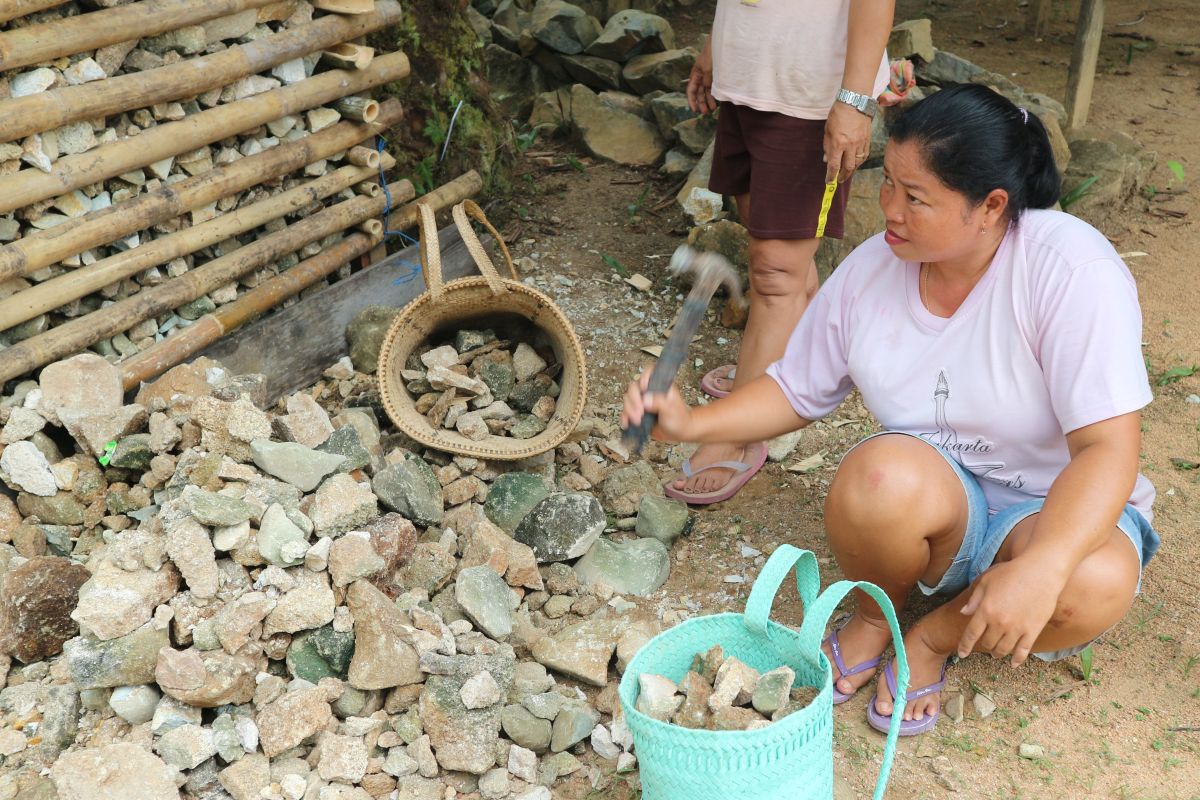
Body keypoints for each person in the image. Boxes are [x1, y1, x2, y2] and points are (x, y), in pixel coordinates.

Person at [624, 85, 1160, 736]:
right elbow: (797, 388)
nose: (889, 211)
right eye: (889, 186)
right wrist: (693, 423)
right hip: (940, 503)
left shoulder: (1068, 269)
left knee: (1095, 582)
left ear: (990, 207)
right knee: (876, 478)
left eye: (916, 197)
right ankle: (878, 618)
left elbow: (1108, 450)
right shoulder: (877, 269)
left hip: (1058, 505)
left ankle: (932, 638)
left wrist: (1044, 566)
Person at [675, 0, 895, 504]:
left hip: (813, 98)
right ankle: (787, 370)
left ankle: (741, 429)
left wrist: (855, 99)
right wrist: (715, 46)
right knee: (768, 241)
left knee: (777, 270)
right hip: (750, 80)